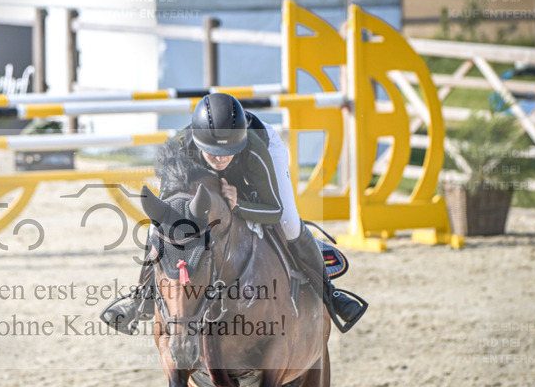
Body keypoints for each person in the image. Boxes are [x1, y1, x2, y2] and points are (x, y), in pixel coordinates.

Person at [102, 93, 366, 334]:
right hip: (195, 167)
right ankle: (140, 299)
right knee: (155, 227)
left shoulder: (254, 149)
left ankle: (331, 295)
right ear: (197, 141)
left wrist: (238, 204)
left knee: (290, 224)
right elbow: (169, 213)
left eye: (228, 152)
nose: (221, 159)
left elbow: (274, 210)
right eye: (214, 153)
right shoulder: (181, 151)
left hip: (261, 155)